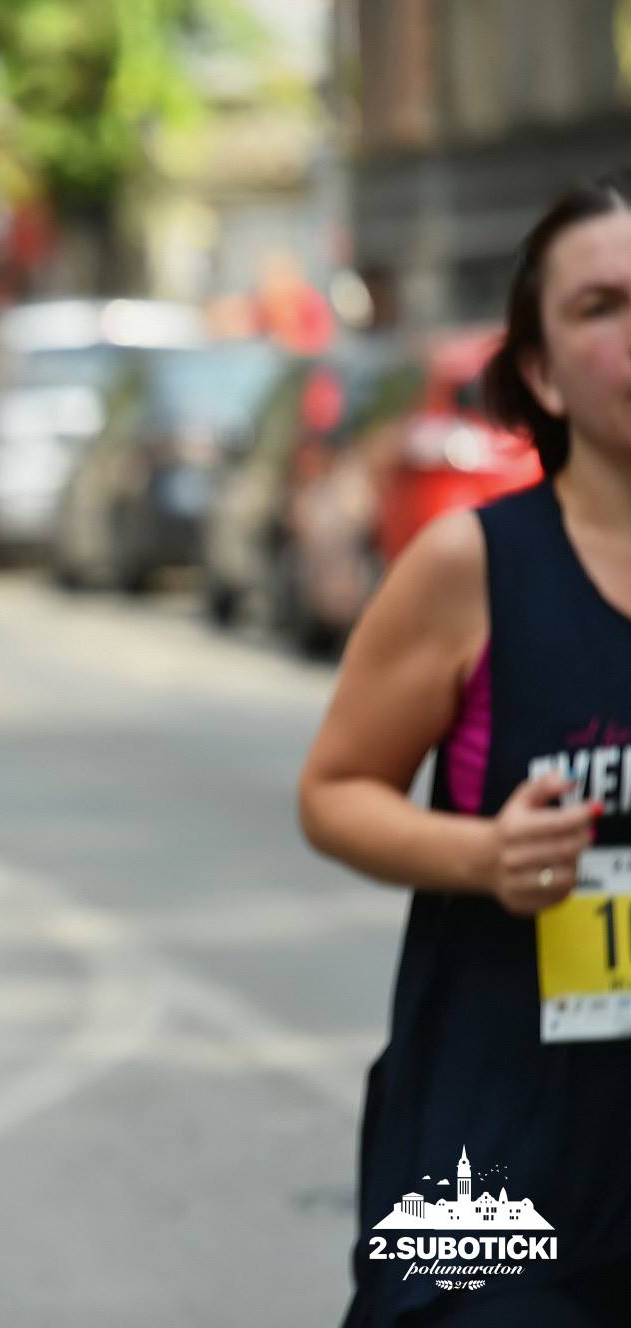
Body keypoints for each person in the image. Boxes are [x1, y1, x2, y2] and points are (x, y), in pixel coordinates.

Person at [300, 170, 631, 1326]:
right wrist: (482, 853)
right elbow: (333, 790)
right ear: (538, 370)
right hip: (494, 1129)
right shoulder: (471, 564)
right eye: (599, 306)